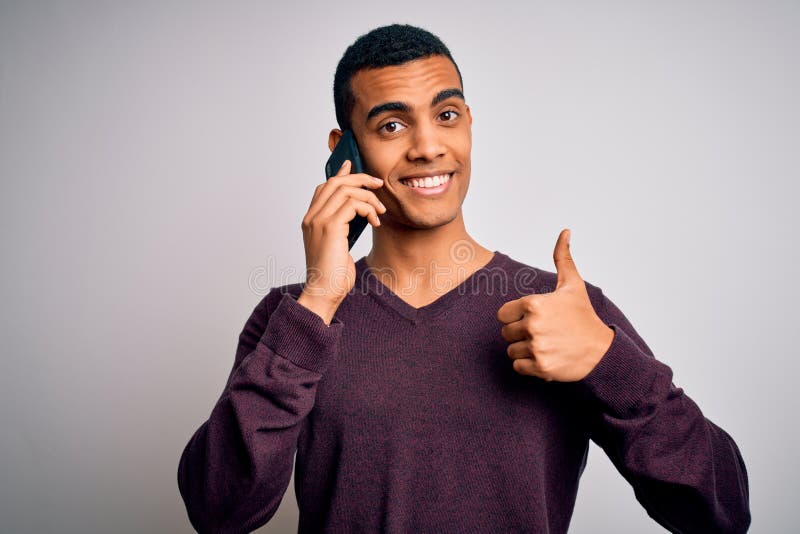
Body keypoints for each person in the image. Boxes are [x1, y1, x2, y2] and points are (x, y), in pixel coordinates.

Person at [177, 24, 751, 533]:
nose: (429, 147)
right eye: (393, 124)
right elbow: (218, 511)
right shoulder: (294, 319)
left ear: (469, 123)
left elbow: (720, 511)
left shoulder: (562, 310)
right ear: (343, 150)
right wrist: (318, 302)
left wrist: (608, 362)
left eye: (446, 116)